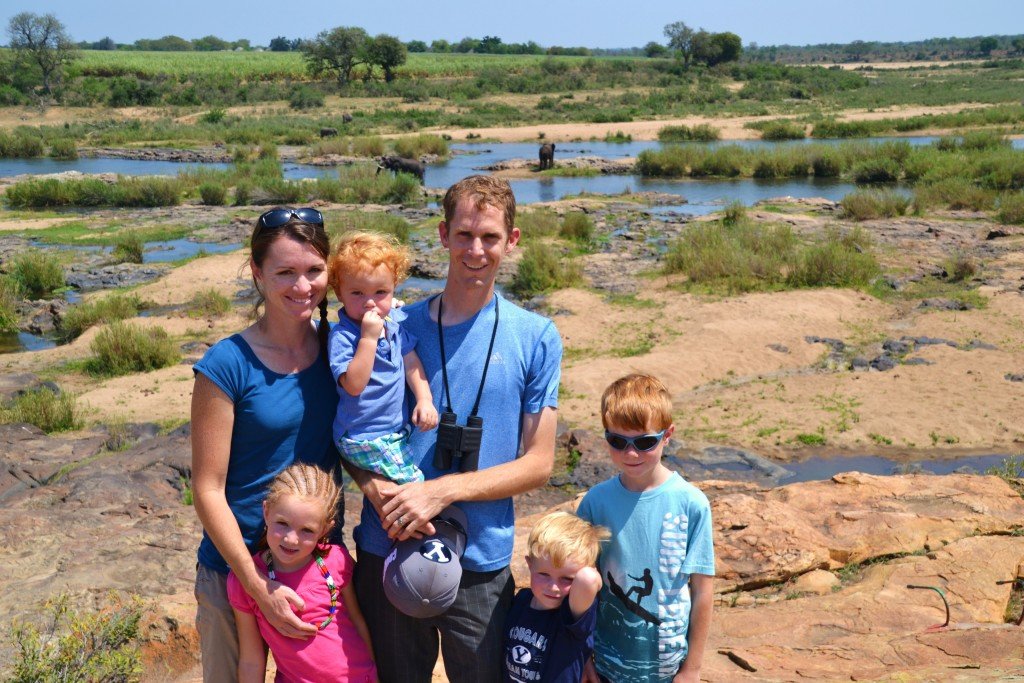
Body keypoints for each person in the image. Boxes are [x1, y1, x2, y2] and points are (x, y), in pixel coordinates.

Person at [348, 174, 563, 683]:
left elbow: (540, 463)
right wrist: (382, 495)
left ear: (511, 240)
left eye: (489, 237)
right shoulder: (394, 325)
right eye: (464, 235)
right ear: (443, 235)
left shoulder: (536, 337)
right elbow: (350, 429)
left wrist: (440, 492)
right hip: (390, 548)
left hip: (483, 561)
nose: (476, 250)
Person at [190, 207, 340, 681]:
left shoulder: (340, 352)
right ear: (257, 273)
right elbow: (207, 490)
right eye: (285, 272)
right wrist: (258, 588)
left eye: (315, 271)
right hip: (233, 574)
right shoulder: (226, 364)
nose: (303, 286)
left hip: (316, 568)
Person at [577, 374, 715, 683]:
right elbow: (580, 587)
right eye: (617, 441)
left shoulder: (692, 504)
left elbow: (703, 590)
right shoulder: (594, 503)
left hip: (669, 668)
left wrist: (692, 668)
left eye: (644, 442)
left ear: (668, 435)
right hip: (606, 666)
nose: (631, 454)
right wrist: (582, 657)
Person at [228, 463, 377, 682]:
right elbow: (251, 660)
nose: (291, 539)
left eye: (306, 530)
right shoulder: (244, 581)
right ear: (266, 512)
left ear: (325, 529)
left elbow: (359, 623)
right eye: (282, 523)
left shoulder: (336, 560)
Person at [327, 231, 438, 485]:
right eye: (357, 293)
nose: (370, 303)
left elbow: (411, 363)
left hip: (390, 433)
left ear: (393, 288)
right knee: (412, 485)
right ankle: (418, 525)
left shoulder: (394, 322)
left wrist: (424, 399)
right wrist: (368, 339)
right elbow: (353, 385)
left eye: (380, 292)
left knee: (408, 486)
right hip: (361, 436)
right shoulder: (344, 337)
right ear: (339, 292)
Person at [502, 511, 608, 683]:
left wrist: (592, 573)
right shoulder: (521, 600)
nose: (553, 587)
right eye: (544, 574)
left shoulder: (572, 618)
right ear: (530, 565)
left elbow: (588, 580)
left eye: (567, 579)